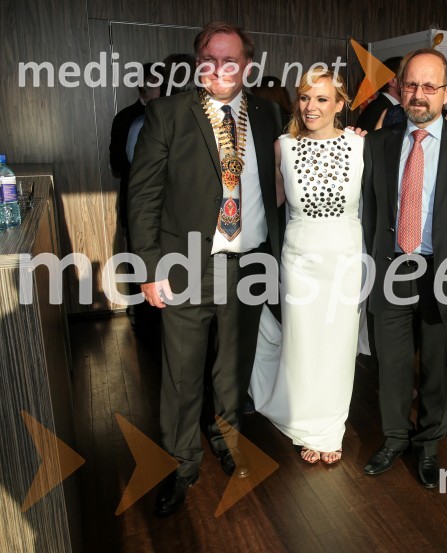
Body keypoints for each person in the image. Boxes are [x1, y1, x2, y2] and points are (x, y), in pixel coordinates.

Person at [129, 21, 283, 517]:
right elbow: (143, 196)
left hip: (250, 262)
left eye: (230, 60)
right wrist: (149, 268)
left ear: (247, 66)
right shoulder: (168, 114)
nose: (219, 69)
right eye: (209, 60)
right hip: (185, 265)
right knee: (181, 373)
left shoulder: (268, 113)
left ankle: (226, 437)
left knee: (233, 368)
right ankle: (180, 464)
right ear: (198, 65)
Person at [361, 48, 447, 488]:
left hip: (444, 273)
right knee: (392, 366)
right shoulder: (377, 143)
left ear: (446, 93)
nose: (419, 94)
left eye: (429, 86)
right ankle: (395, 438)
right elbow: (369, 211)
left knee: (437, 368)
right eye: (411, 85)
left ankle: (429, 445)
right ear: (400, 89)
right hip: (390, 270)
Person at [248, 68, 363, 465]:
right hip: (299, 259)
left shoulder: (360, 145)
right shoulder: (283, 146)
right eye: (305, 98)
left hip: (346, 259)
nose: (311, 107)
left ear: (340, 104)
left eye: (322, 99)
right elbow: (270, 204)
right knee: (304, 345)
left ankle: (330, 429)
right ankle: (306, 424)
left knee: (339, 347)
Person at [111, 62, 161, 241]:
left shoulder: (123, 116)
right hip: (138, 205)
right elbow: (116, 164)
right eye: (161, 84)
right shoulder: (125, 119)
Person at [356, 56, 402, 131]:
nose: (410, 81)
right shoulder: (377, 111)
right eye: (405, 76)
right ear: (392, 81)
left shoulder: (383, 107)